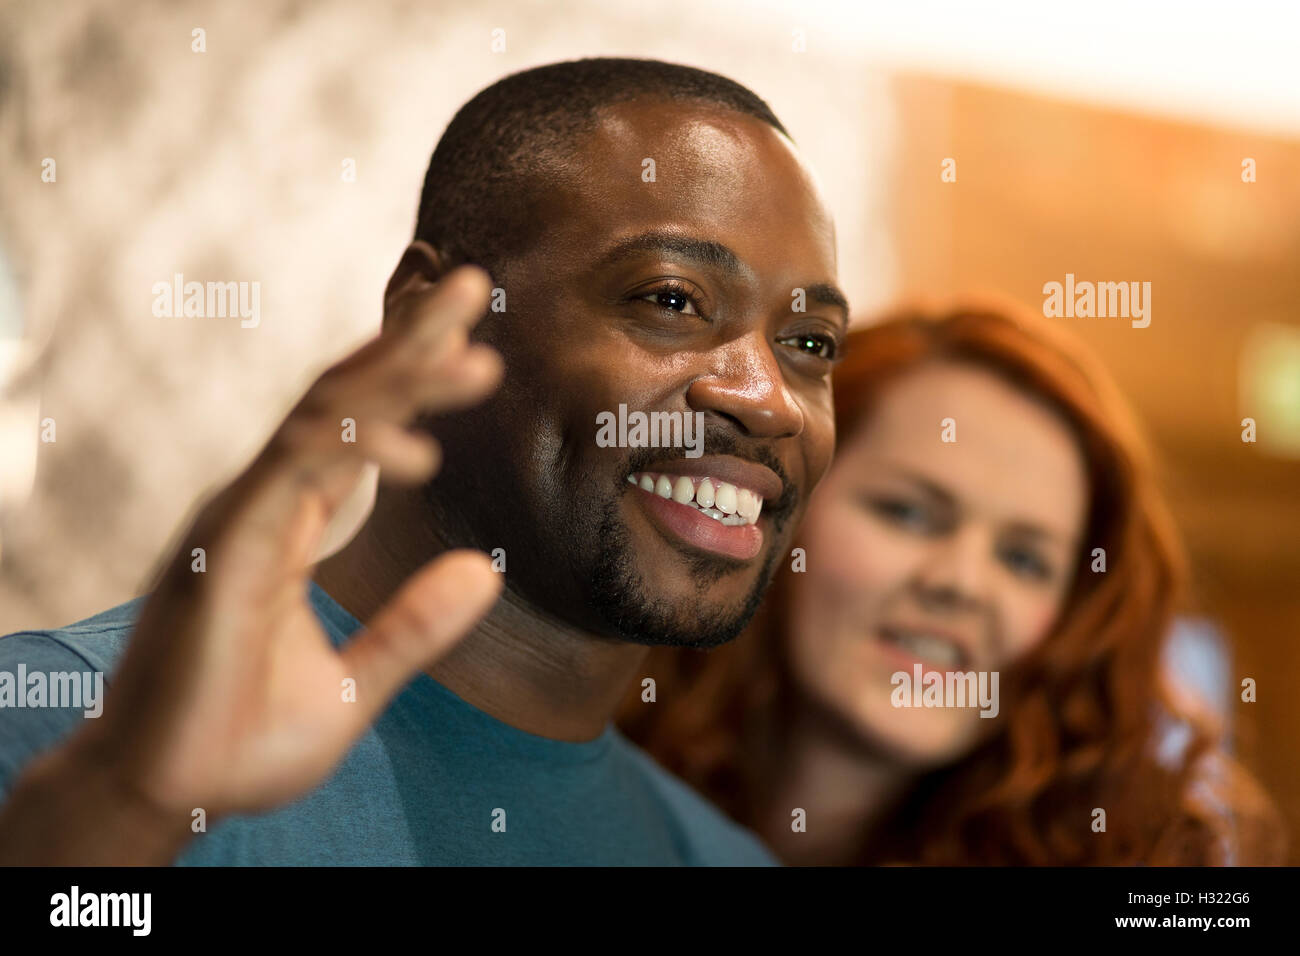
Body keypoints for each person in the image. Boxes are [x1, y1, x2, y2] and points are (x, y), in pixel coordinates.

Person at [0, 57, 852, 865]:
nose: (767, 397)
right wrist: (127, 801)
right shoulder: (53, 724)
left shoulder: (719, 858)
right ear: (427, 315)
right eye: (671, 300)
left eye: (810, 342)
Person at [618, 302, 1286, 865]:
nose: (963, 583)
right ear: (781, 505)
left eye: (1024, 561)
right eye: (907, 513)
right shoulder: (568, 779)